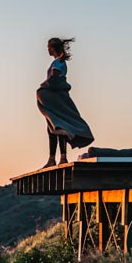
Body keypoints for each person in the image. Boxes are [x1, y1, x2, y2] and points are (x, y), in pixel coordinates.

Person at [36, 37, 94, 168]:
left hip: (55, 99)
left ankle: (57, 158)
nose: (47, 49)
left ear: (53, 47)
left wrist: (44, 86)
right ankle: (59, 158)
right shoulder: (59, 61)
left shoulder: (58, 63)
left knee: (58, 126)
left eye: (48, 47)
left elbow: (55, 78)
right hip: (56, 98)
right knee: (56, 126)